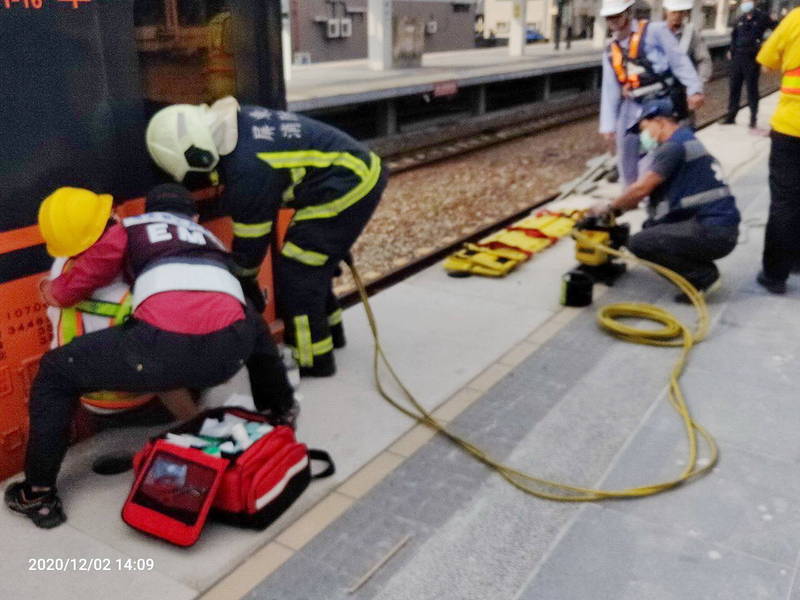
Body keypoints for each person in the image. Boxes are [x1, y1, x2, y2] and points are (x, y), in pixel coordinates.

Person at [4, 184, 295, 529]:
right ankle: (279, 412)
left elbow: (83, 278)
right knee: (251, 324)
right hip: (230, 352)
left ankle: (37, 495)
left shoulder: (128, 229)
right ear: (193, 217)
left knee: (54, 372)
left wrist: (52, 291)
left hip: (163, 350)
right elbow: (241, 301)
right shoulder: (207, 239)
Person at [146, 97, 387, 377]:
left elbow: (252, 241)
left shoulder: (248, 169)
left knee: (297, 274)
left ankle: (314, 360)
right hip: (347, 175)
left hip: (349, 184)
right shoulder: (241, 126)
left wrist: (243, 278)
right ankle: (333, 333)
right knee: (312, 266)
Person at [592, 98, 740, 301]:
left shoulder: (672, 148)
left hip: (713, 231)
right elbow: (644, 195)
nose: (643, 137)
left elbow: (641, 189)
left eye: (644, 129)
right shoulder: (685, 139)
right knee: (651, 228)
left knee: (641, 243)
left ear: (660, 121)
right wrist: (619, 209)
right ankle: (699, 267)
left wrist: (608, 208)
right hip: (720, 228)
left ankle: (703, 277)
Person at [599, 0, 705, 187]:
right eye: (609, 17)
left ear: (628, 13)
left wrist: (694, 89)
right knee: (626, 147)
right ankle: (630, 191)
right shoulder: (610, 49)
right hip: (633, 102)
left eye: (617, 15)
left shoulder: (654, 31)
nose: (613, 20)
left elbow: (678, 60)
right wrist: (608, 125)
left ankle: (658, 188)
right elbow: (610, 89)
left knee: (655, 145)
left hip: (660, 99)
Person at [754, 5, 800, 293]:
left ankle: (775, 275)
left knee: (785, 201)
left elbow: (766, 61)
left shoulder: (796, 19)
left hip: (791, 126)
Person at [723, 1, 776, 128]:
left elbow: (778, 29)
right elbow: (734, 36)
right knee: (734, 87)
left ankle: (753, 119)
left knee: (752, 89)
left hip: (752, 59)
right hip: (737, 58)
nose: (745, 2)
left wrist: (766, 46)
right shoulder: (740, 18)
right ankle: (731, 116)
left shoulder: (762, 17)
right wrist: (731, 50)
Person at [664, 0, 713, 86]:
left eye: (681, 12)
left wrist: (698, 85)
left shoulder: (691, 33)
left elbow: (704, 60)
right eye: (674, 12)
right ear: (666, 11)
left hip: (681, 86)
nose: (677, 16)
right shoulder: (656, 32)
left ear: (685, 13)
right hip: (658, 86)